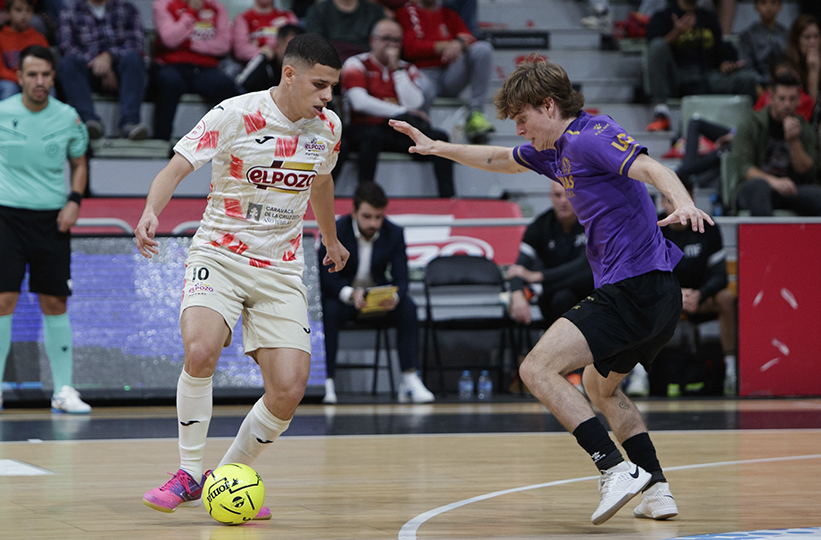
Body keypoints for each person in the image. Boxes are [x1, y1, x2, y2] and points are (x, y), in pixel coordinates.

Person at [392, 56, 714, 525]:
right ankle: (657, 489)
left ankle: (614, 469)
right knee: (600, 388)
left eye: (522, 119)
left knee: (536, 368)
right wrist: (437, 146)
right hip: (655, 293)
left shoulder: (591, 135)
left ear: (547, 106)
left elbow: (652, 168)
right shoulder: (553, 150)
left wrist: (682, 201)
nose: (520, 130)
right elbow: (498, 159)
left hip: (636, 285)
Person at [134, 33, 349, 519]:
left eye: (332, 87)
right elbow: (177, 166)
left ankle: (224, 478)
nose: (327, 97)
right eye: (319, 85)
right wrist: (151, 211)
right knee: (202, 348)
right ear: (289, 74)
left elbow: (321, 179)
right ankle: (188, 471)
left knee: (290, 389)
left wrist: (330, 238)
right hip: (221, 254)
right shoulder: (235, 113)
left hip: (280, 268)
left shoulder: (328, 127)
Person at [0, 45, 92, 415]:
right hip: (5, 217)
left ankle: (65, 390)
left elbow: (80, 163)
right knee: (1, 300)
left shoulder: (69, 117)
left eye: (46, 75)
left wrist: (74, 200)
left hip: (51, 220)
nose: (39, 82)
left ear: (53, 77)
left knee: (54, 302)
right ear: (19, 78)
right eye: (32, 75)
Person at [318, 182, 436, 404]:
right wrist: (350, 294)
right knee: (328, 309)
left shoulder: (394, 233)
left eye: (378, 217)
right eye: (367, 216)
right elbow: (325, 277)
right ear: (353, 212)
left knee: (408, 307)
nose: (373, 223)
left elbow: (402, 277)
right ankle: (327, 381)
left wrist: (395, 296)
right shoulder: (335, 231)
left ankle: (410, 379)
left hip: (377, 300)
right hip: (345, 299)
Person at [340, 18, 454, 197]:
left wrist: (396, 69)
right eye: (386, 39)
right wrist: (401, 111)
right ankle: (365, 197)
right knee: (372, 136)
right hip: (363, 128)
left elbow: (414, 103)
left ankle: (448, 198)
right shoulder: (356, 64)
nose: (391, 45)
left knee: (439, 138)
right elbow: (359, 102)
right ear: (373, 40)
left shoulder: (406, 69)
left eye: (396, 40)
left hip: (395, 130)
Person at [659, 176, 737, 394]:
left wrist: (699, 294)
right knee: (636, 297)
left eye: (680, 199)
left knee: (726, 298)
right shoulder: (653, 228)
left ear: (690, 200)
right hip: (665, 300)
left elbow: (721, 275)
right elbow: (645, 277)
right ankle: (638, 372)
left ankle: (731, 370)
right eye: (670, 200)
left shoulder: (707, 226)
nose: (676, 207)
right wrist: (675, 294)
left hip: (700, 298)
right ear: (662, 203)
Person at [643, 0, 757, 131]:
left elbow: (720, 48)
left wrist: (724, 64)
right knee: (657, 45)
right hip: (677, 79)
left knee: (748, 80)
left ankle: (748, 129)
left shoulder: (708, 17)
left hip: (706, 77)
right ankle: (661, 112)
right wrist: (676, 33)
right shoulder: (663, 16)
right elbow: (655, 49)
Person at [396, 0, 495, 143]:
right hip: (423, 72)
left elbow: (469, 38)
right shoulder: (405, 13)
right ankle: (421, 131)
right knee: (420, 86)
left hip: (449, 73)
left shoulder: (449, 13)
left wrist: (459, 43)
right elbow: (410, 49)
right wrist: (447, 45)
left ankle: (476, 113)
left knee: (483, 49)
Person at [150, 0, 241, 141]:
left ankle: (226, 142)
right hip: (172, 65)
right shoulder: (163, 4)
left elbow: (223, 45)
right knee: (169, 82)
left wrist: (188, 43)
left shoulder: (217, 7)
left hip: (205, 68)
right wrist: (191, 12)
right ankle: (160, 140)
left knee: (226, 85)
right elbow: (169, 39)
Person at [506, 181, 593, 329]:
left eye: (569, 195)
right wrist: (516, 293)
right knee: (562, 297)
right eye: (558, 195)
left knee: (583, 279)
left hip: (588, 291)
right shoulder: (540, 225)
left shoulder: (591, 224)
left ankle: (538, 289)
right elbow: (519, 266)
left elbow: (585, 266)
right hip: (554, 296)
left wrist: (540, 277)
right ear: (551, 196)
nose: (563, 201)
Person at [57, 0, 147, 140]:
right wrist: (96, 62)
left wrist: (109, 56)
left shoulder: (128, 9)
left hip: (119, 72)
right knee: (68, 63)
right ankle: (88, 121)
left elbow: (136, 43)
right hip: (86, 71)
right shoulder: (70, 10)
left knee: (135, 59)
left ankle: (130, 123)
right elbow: (66, 46)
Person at [734, 72, 821, 216]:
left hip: (790, 189)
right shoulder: (750, 124)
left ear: (799, 100)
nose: (787, 104)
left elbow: (808, 173)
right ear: (771, 98)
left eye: (792, 99)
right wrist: (773, 182)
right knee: (760, 188)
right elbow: (744, 167)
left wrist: (794, 142)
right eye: (782, 99)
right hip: (754, 189)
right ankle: (764, 239)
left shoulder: (804, 128)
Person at [0, 0, 49, 101]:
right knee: (8, 88)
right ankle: (7, 117)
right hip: (9, 81)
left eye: (28, 11)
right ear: (8, 13)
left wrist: (34, 79)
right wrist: (21, 79)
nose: (24, 14)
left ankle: (47, 117)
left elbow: (47, 66)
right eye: (18, 10)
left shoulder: (39, 38)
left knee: (47, 88)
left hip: (35, 80)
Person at [304, 0, 384, 62]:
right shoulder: (318, 10)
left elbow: (381, 41)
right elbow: (315, 44)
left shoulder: (374, 11)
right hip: (330, 62)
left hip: (367, 63)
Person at [236, 23, 303, 93]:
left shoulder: (305, 68)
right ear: (277, 46)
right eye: (290, 48)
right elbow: (241, 84)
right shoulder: (265, 62)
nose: (295, 53)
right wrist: (263, 58)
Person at [736, 0, 787, 87]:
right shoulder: (747, 35)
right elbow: (745, 65)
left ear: (780, 6)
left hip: (785, 81)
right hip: (757, 84)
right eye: (763, 2)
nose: (769, 6)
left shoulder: (786, 34)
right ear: (756, 6)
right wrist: (760, 82)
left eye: (773, 2)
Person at [232, 0, 299, 65]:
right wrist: (261, 52)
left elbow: (297, 44)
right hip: (257, 66)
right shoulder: (244, 18)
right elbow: (240, 50)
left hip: (285, 65)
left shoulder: (288, 16)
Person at [785, 14, 820, 121]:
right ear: (796, 40)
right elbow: (809, 108)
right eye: (807, 37)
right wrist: (813, 71)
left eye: (816, 36)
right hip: (801, 119)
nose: (813, 42)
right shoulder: (787, 65)